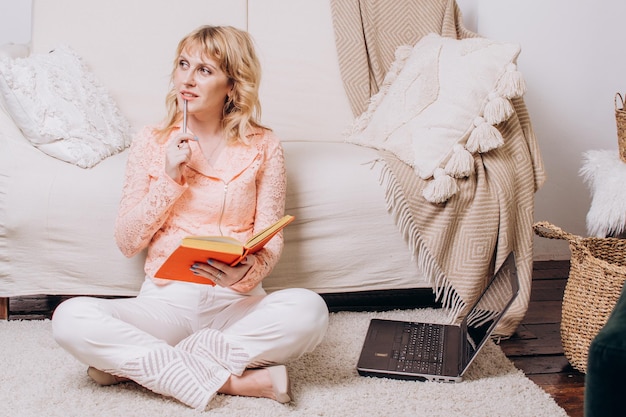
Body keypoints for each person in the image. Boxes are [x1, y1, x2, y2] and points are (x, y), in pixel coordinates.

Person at [51, 25, 329, 411]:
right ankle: (234, 381)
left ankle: (141, 365)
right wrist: (168, 180)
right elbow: (126, 240)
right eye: (183, 64)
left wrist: (248, 273)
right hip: (166, 303)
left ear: (232, 85)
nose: (187, 78)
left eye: (205, 70)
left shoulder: (264, 144)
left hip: (237, 303)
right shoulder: (151, 140)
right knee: (70, 318)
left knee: (310, 311)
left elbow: (271, 236)